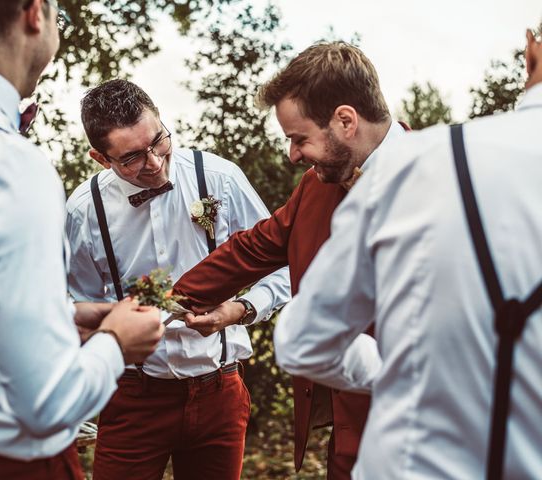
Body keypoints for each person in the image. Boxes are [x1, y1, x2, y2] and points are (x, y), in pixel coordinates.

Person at [0, 2, 163, 479]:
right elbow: (47, 403)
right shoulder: (5, 162)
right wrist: (115, 343)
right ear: (33, 12)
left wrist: (63, 317)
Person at [273, 28, 542, 479]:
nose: (293, 156)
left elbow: (303, 343)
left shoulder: (421, 163)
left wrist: (393, 368)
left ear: (533, 47)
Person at [174, 41, 407, 479]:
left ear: (345, 120)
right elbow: (255, 246)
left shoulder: (441, 180)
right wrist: (169, 301)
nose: (293, 155)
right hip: (346, 428)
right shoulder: (316, 186)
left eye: (299, 139)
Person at [65, 79, 290, 479]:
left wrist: (239, 310)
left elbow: (283, 263)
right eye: (132, 157)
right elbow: (72, 307)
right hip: (132, 398)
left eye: (158, 141)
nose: (153, 162)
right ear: (101, 159)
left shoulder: (220, 178)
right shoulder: (83, 210)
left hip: (219, 389)